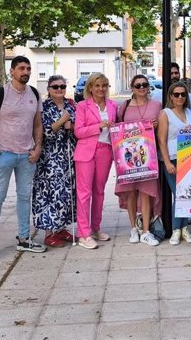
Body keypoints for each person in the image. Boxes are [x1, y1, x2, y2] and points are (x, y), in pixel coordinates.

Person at [0, 56, 45, 262]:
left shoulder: (34, 94)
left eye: (28, 68)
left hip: (26, 156)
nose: (25, 72)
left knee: (24, 197)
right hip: (4, 155)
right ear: (12, 71)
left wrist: (38, 147)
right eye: (21, 68)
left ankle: (24, 239)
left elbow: (37, 124)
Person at [116, 74, 163, 246]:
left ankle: (146, 231)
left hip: (148, 157)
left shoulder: (157, 105)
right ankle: (133, 229)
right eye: (138, 85)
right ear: (132, 88)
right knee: (130, 192)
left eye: (144, 84)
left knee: (146, 192)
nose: (141, 87)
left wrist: (157, 125)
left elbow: (163, 126)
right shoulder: (124, 106)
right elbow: (117, 128)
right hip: (127, 157)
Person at [73, 73, 118, 249]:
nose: (101, 89)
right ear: (90, 88)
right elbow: (78, 132)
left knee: (99, 192)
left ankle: (95, 228)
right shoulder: (83, 106)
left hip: (106, 151)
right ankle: (84, 233)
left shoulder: (113, 105)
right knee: (84, 194)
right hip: (86, 152)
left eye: (104, 85)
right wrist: (97, 126)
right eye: (97, 85)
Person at [32, 75, 77, 247]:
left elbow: (77, 128)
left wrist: (71, 126)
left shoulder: (71, 105)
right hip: (49, 159)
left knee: (66, 194)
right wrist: (62, 121)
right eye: (55, 87)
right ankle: (49, 232)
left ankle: (61, 228)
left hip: (68, 157)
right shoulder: (43, 108)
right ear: (49, 89)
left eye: (62, 86)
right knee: (49, 194)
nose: (59, 89)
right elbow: (45, 134)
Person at [157, 81, 191, 245]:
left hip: (188, 157)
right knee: (179, 194)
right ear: (171, 97)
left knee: (186, 194)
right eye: (176, 94)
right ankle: (176, 229)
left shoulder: (189, 112)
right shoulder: (165, 113)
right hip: (172, 157)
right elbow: (161, 139)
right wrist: (167, 162)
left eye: (183, 94)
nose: (180, 97)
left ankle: (184, 229)